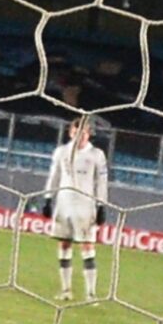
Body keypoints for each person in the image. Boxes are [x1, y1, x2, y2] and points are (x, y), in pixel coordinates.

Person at [41, 118, 109, 301]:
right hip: (64, 204)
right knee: (64, 243)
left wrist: (101, 205)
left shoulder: (97, 155)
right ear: (71, 133)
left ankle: (91, 293)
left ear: (88, 134)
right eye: (77, 133)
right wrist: (48, 198)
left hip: (86, 206)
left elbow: (101, 182)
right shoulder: (61, 152)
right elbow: (54, 176)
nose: (80, 137)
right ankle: (66, 290)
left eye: (84, 134)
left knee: (87, 246)